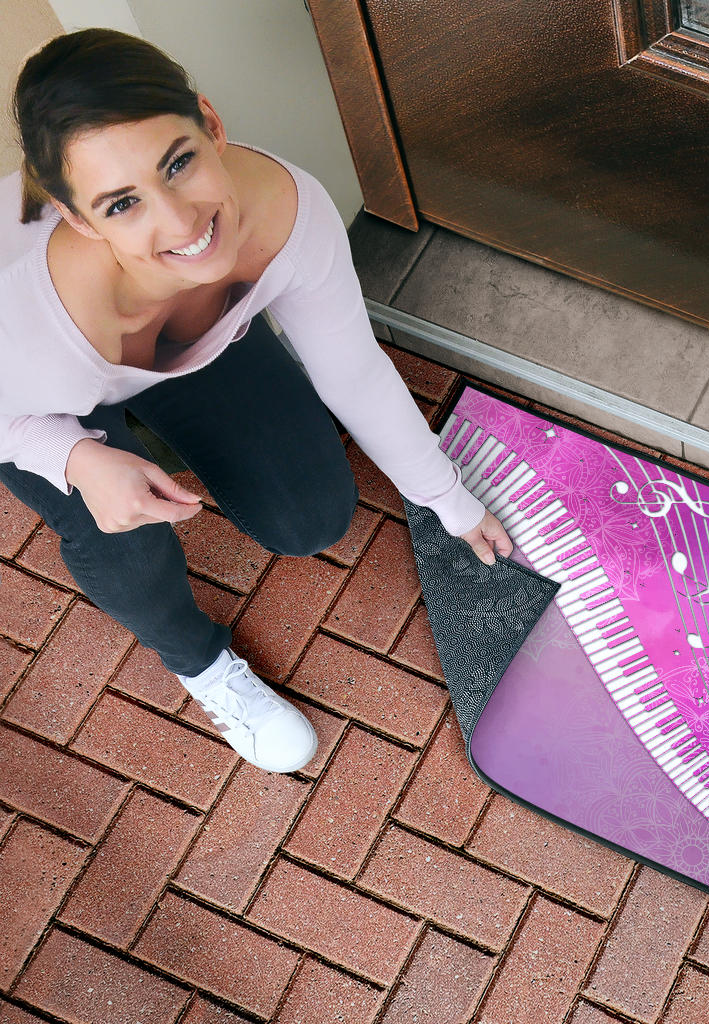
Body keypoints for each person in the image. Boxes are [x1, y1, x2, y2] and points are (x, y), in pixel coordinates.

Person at [1, 28, 513, 774]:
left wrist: (448, 499)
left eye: (178, 162)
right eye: (121, 204)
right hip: (38, 404)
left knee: (310, 519)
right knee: (126, 540)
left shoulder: (289, 212)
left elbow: (354, 370)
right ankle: (200, 664)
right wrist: (78, 458)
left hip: (192, 349)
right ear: (78, 220)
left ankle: (172, 404)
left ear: (211, 122)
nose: (180, 225)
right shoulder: (33, 315)